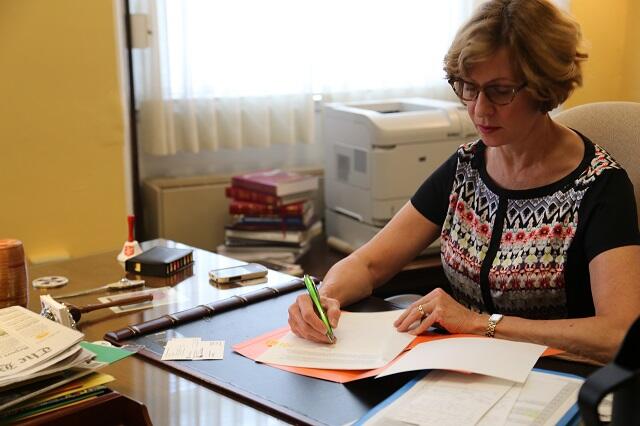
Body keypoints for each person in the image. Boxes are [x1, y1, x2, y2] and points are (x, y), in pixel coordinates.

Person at [288, 0, 640, 364]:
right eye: (467, 87)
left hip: (554, 374)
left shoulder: (600, 187)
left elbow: (619, 333)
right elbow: (369, 264)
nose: (479, 109)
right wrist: (325, 297)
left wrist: (479, 324)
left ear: (544, 86)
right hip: (463, 368)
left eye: (500, 91)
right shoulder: (467, 166)